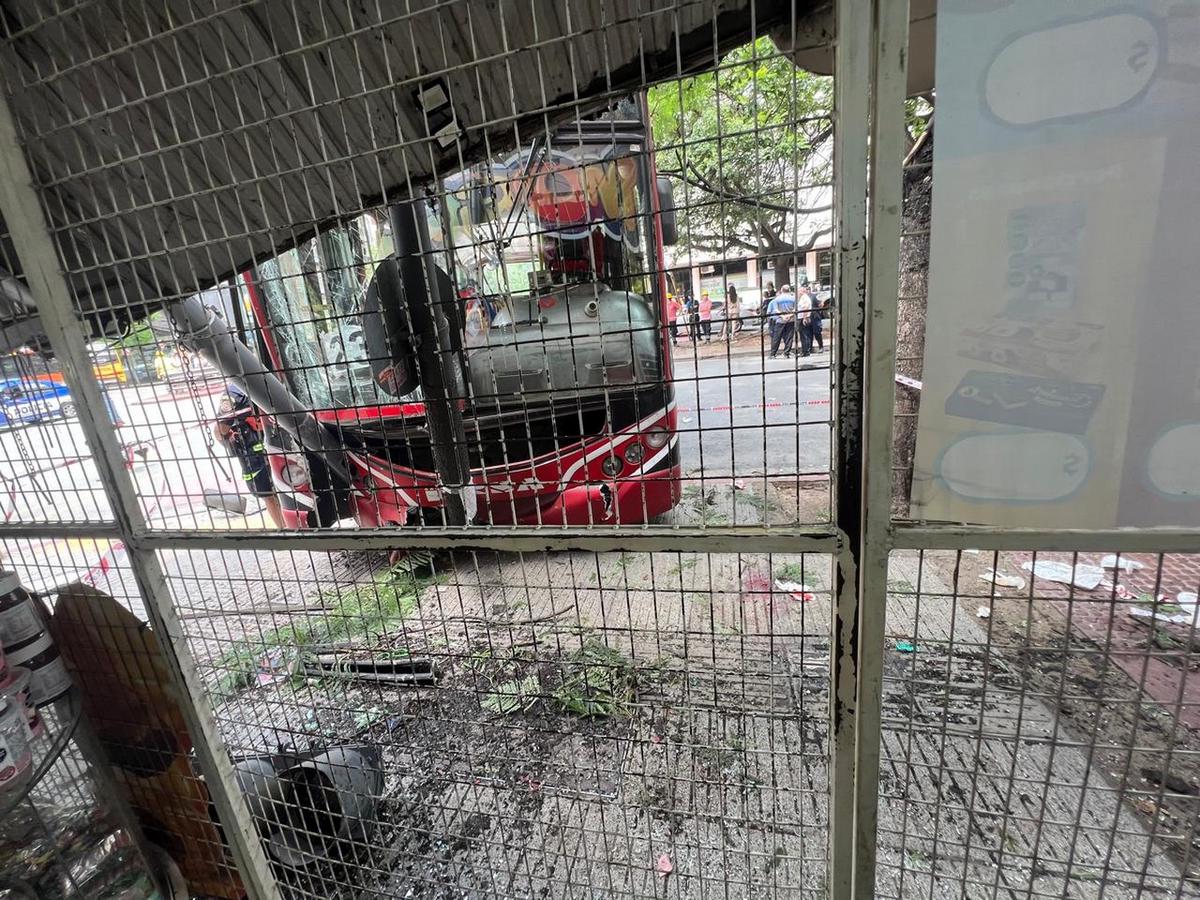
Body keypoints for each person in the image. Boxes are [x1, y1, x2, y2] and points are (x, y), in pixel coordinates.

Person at [214, 383, 284, 527]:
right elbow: (220, 429)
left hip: (257, 454)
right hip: (272, 447)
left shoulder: (235, 393)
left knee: (269, 494)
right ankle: (290, 529)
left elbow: (220, 430)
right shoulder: (273, 382)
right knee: (275, 492)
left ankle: (287, 531)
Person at [766, 284, 796, 358]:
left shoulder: (777, 299)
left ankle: (773, 354)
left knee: (777, 337)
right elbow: (796, 309)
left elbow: (776, 310)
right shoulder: (793, 298)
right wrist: (789, 315)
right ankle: (786, 353)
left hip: (780, 320)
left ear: (782, 290)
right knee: (789, 337)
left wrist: (783, 316)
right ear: (789, 290)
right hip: (791, 320)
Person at [795, 284, 814, 357]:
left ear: (802, 291)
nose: (797, 292)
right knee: (804, 335)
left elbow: (806, 308)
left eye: (799, 291)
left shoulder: (805, 298)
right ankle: (805, 350)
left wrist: (804, 318)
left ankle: (805, 351)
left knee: (804, 335)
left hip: (803, 318)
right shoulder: (803, 297)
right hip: (802, 317)